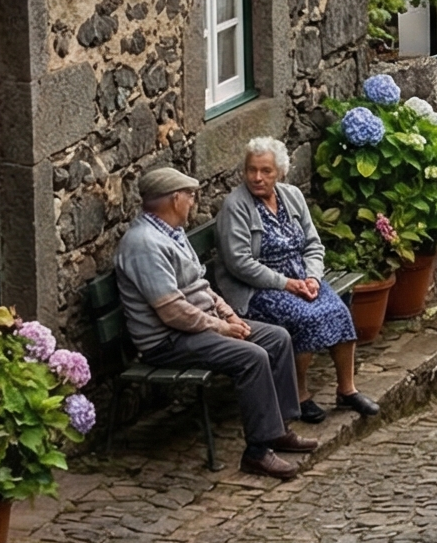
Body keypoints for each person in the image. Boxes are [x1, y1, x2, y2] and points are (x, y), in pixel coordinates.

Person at [114, 166, 320, 479]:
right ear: (174, 199)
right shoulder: (144, 244)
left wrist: (229, 314)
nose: (193, 202)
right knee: (251, 356)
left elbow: (200, 285)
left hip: (199, 326)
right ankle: (257, 452)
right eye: (189, 196)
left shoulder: (172, 232)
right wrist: (223, 329)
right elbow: (172, 312)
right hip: (167, 341)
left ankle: (278, 429)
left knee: (277, 338)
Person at [213, 136, 379, 424]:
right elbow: (239, 263)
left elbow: (313, 245)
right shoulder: (235, 206)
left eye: (266, 171)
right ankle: (298, 395)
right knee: (304, 318)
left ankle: (346, 389)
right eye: (251, 170)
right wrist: (286, 284)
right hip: (257, 289)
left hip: (301, 279)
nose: (257, 177)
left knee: (338, 310)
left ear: (280, 172)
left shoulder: (292, 196)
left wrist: (313, 277)